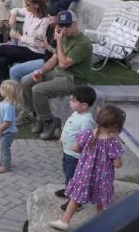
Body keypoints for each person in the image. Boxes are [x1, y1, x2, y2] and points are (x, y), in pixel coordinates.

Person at [49, 105, 126, 232]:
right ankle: (98, 225)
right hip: (102, 179)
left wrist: (87, 157)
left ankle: (64, 221)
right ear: (115, 126)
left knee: (75, 199)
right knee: (101, 202)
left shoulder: (88, 134)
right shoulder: (112, 142)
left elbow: (75, 148)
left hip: (84, 175)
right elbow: (118, 164)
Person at [21, 10, 93, 141]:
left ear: (76, 24)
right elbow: (54, 59)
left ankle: (49, 122)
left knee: (38, 90)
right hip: (58, 73)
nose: (64, 29)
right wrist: (41, 71)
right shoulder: (64, 36)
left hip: (73, 79)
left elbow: (64, 63)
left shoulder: (83, 44)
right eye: (62, 26)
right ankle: (35, 115)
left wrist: (58, 42)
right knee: (27, 81)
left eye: (67, 25)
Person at [0, 0, 52, 84]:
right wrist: (13, 16)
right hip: (25, 48)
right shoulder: (29, 12)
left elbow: (38, 42)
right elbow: (15, 9)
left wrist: (19, 37)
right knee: (2, 61)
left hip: (35, 53)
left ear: (36, 6)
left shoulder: (44, 20)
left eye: (28, 4)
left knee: (1, 49)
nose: (26, 6)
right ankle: (6, 91)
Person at [55, 85, 97, 199]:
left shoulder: (87, 121)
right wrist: (62, 138)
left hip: (75, 155)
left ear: (84, 105)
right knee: (67, 172)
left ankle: (74, 199)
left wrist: (79, 149)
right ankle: (68, 189)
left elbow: (85, 139)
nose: (70, 103)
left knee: (73, 175)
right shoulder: (76, 113)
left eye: (73, 101)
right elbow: (69, 127)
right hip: (67, 151)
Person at [0, 80, 22, 174]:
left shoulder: (9, 106)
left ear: (7, 92)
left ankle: (6, 166)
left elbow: (8, 122)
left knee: (5, 148)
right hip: (4, 131)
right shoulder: (4, 102)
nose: (0, 90)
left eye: (2, 89)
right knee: (2, 147)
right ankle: (2, 161)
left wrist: (0, 129)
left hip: (8, 132)